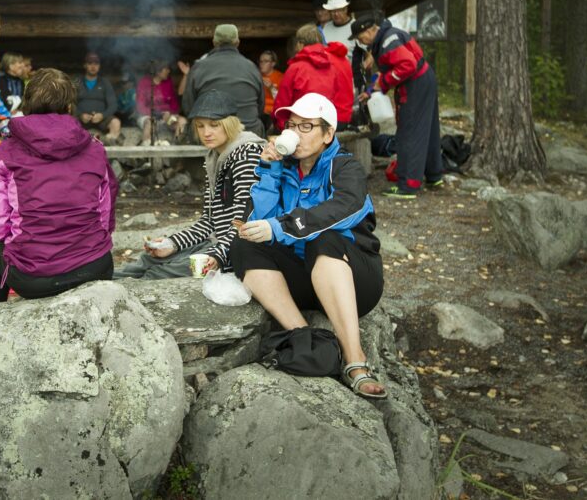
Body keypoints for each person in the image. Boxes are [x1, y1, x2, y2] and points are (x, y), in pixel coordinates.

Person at [230, 93, 386, 399]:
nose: (295, 133)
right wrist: (269, 171)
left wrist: (283, 227)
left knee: (323, 239)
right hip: (304, 278)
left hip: (353, 279)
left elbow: (342, 209)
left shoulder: (345, 167)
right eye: (291, 125)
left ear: (328, 134)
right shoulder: (285, 167)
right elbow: (258, 222)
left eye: (306, 127)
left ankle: (355, 360)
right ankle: (308, 339)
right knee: (243, 246)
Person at [0, 68, 118, 306]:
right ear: (70, 106)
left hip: (33, 278)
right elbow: (105, 217)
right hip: (94, 268)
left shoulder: (8, 151)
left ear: (27, 103)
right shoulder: (95, 148)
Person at [116, 90, 265, 279]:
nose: (206, 133)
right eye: (200, 126)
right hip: (218, 242)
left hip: (240, 248)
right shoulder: (214, 157)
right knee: (148, 260)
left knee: (160, 273)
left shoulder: (246, 155)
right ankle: (97, 281)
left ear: (230, 124)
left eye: (214, 125)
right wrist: (172, 243)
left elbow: (244, 221)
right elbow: (209, 221)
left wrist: (218, 254)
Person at [351, 13, 443, 199]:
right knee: (429, 129)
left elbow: (407, 65)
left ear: (370, 31)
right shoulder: (387, 36)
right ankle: (434, 175)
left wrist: (383, 83)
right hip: (425, 79)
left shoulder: (388, 41)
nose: (361, 42)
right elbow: (393, 68)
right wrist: (371, 91)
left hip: (415, 84)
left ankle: (408, 185)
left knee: (410, 132)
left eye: (361, 38)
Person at [183, 24, 265, 137]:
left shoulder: (199, 67)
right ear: (237, 42)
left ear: (214, 42)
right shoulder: (252, 67)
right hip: (249, 132)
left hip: (211, 135)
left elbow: (188, 108)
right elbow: (260, 107)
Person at [273, 24, 353, 132]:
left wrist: (282, 127)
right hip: (325, 125)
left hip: (301, 125)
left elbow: (281, 103)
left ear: (300, 44)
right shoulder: (331, 66)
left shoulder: (296, 68)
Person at [74, 51, 121, 143]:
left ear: (99, 66)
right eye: (90, 63)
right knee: (67, 123)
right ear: (85, 65)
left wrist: (102, 115)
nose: (93, 66)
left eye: (96, 64)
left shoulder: (105, 83)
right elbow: (70, 104)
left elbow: (113, 105)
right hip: (82, 119)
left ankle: (110, 147)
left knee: (116, 123)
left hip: (101, 118)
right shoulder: (77, 82)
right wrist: (80, 115)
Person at [137, 59, 186, 145]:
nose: (169, 71)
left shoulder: (168, 82)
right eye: (166, 69)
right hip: (148, 116)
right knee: (149, 123)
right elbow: (140, 106)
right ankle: (145, 149)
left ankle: (177, 145)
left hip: (166, 117)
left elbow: (174, 103)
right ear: (158, 71)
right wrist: (158, 114)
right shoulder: (144, 82)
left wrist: (171, 114)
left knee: (182, 121)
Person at [259, 50, 284, 132]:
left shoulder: (280, 77)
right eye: (261, 61)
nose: (262, 64)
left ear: (273, 64)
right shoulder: (256, 76)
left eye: (266, 61)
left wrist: (271, 88)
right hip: (259, 112)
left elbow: (283, 99)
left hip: (274, 113)